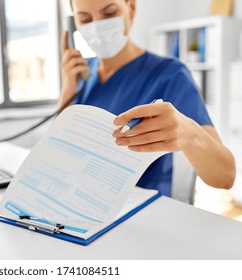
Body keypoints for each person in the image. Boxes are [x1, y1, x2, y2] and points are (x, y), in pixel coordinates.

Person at [60, 0, 235, 196]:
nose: (97, 25)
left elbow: (226, 176)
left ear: (131, 8)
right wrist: (68, 90)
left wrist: (189, 134)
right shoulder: (80, 74)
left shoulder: (170, 75)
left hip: (142, 208)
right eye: (85, 19)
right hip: (84, 196)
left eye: (109, 13)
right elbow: (60, 151)